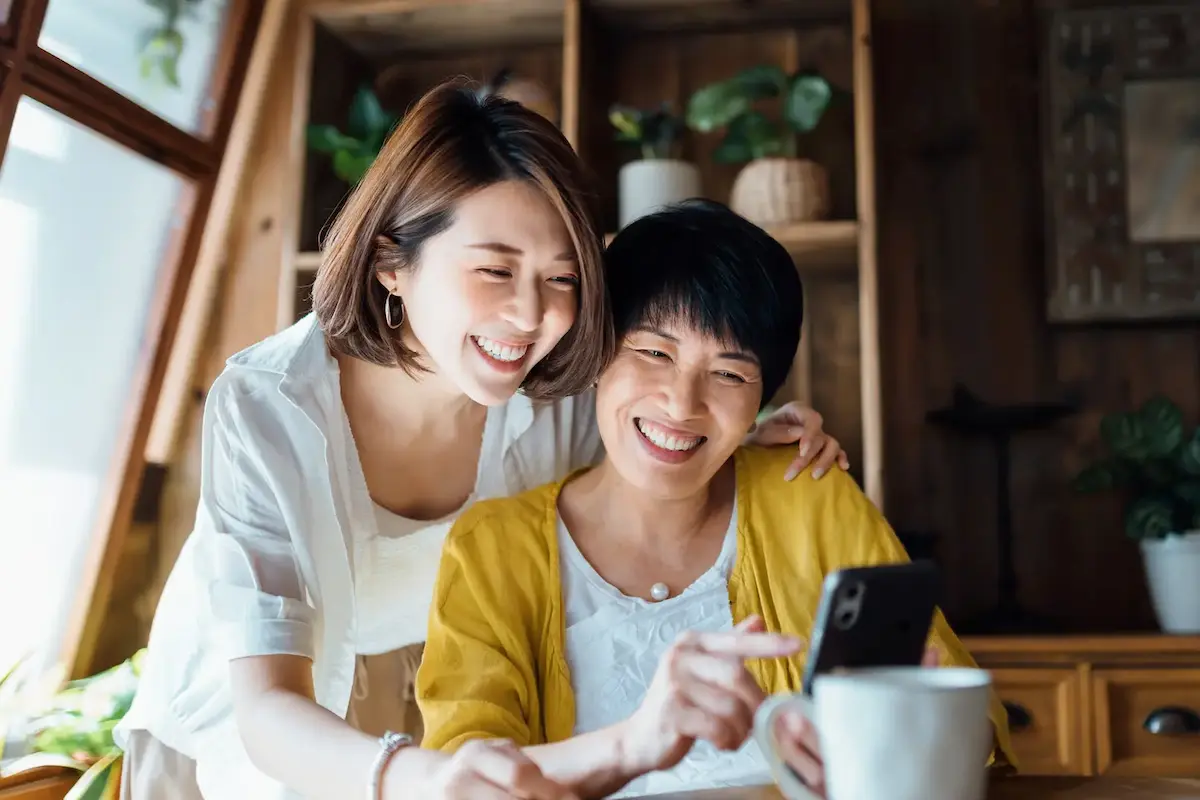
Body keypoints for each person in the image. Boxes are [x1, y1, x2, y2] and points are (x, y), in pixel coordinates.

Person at [115, 80, 847, 799]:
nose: (531, 315)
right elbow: (268, 710)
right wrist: (420, 775)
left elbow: (653, 432)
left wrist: (747, 437)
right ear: (389, 262)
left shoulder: (555, 395)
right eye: (495, 269)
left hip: (440, 705)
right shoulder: (268, 405)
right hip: (251, 723)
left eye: (561, 277)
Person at [415, 200, 1018, 798]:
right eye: (654, 353)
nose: (682, 404)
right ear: (597, 352)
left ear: (762, 397)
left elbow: (970, 711)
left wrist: (910, 728)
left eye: (729, 374)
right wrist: (629, 745)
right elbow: (462, 778)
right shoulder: (490, 549)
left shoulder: (807, 497)